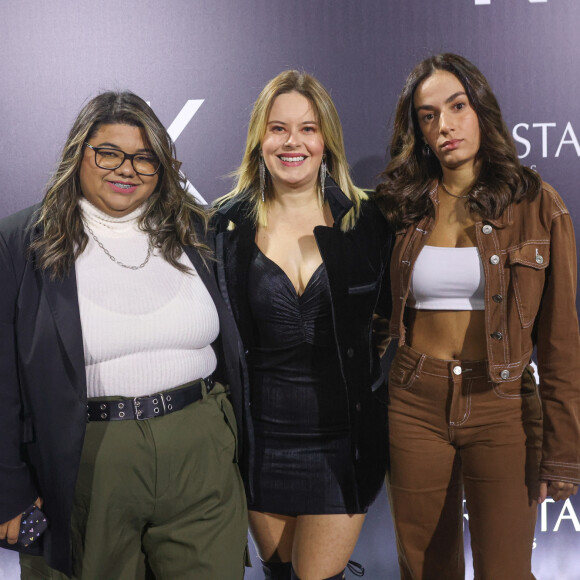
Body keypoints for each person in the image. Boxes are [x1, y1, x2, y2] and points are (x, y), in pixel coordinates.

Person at [0, 91, 248, 579]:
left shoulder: (198, 232)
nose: (126, 169)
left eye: (144, 157)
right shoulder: (23, 242)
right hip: (87, 461)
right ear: (79, 153)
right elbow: (2, 378)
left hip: (202, 452)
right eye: (108, 152)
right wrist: (8, 485)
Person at [375, 53, 580, 580]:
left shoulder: (538, 204)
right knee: (424, 570)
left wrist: (563, 451)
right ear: (418, 131)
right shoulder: (403, 207)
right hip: (416, 401)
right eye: (428, 116)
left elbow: (559, 342)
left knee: (507, 571)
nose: (444, 126)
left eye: (457, 106)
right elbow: (377, 317)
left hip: (503, 403)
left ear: (480, 110)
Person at [213, 70, 392, 580]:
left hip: (343, 444)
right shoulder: (223, 228)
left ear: (326, 139)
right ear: (259, 139)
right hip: (259, 443)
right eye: (278, 128)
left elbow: (396, 314)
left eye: (308, 129)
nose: (293, 142)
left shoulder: (368, 221)